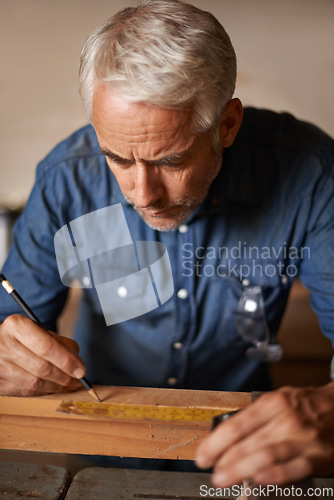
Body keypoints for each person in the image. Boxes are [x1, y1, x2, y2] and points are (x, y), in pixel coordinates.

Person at [0, 0, 333, 487]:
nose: (142, 195)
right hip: (99, 456)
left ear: (227, 125)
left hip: (244, 455)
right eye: (116, 158)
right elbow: (8, 323)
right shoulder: (66, 180)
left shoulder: (313, 175)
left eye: (171, 161)